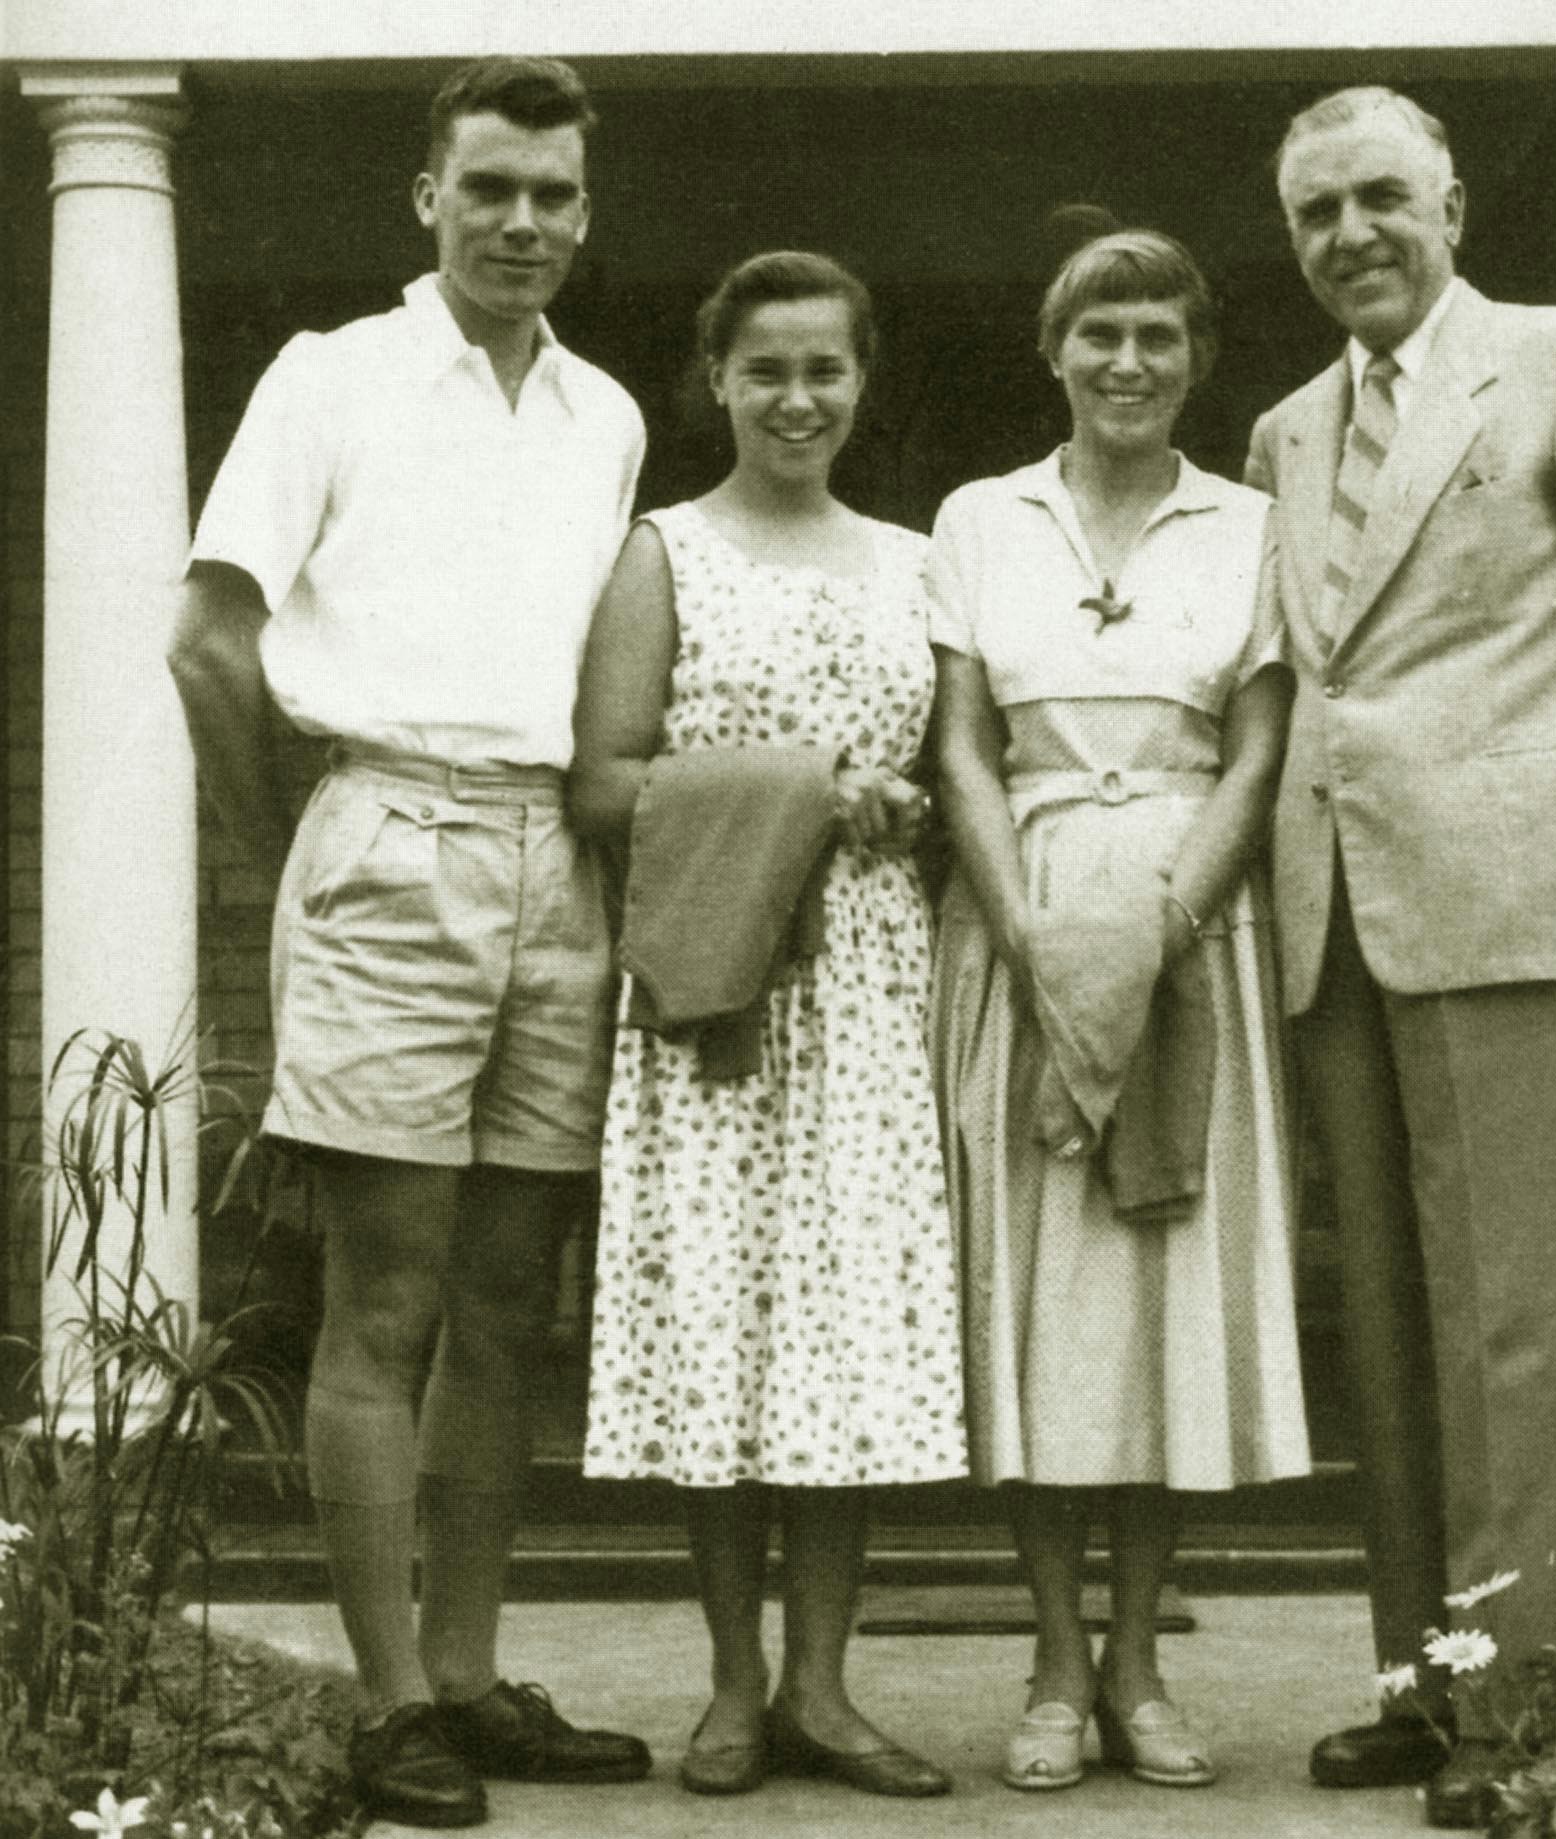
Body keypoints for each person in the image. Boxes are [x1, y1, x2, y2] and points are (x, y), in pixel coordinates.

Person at [165, 57, 652, 1830]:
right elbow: (208, 642)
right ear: (426, 197)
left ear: (585, 216)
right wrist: (297, 848)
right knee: (385, 1300)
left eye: (555, 195)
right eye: (491, 188)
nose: (523, 221)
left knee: (510, 1308)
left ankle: (465, 1674)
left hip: (553, 865)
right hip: (386, 828)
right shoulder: (332, 377)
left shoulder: (602, 416)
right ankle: (387, 1707)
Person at [1244, 87, 1556, 1828]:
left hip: (1524, 906)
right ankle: (1421, 1688)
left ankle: (1531, 1718)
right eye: (1316, 215)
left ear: (1448, 202)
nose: (1351, 235)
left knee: (1520, 1329)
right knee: (1389, 1333)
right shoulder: (1286, 430)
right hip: (1341, 920)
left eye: (1381, 199)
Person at [572, 250, 965, 1802]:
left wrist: (906, 806)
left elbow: (964, 772)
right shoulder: (661, 553)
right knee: (722, 1335)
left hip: (868, 986)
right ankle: (733, 1687)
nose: (797, 398)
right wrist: (805, 788)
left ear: (863, 383)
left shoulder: (919, 561)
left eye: (826, 370)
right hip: (714, 987)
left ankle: (825, 1688)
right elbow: (599, 779)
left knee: (843, 1337)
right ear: (716, 383)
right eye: (765, 371)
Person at [929, 228, 1311, 1796]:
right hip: (1012, 931)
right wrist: (1024, 932)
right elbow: (957, 741)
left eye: (1158, 334)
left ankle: (1141, 1664)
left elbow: (1259, 748)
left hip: (1184, 931)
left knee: (1162, 1306)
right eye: (1099, 335)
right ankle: (1049, 1663)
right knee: (1037, 1306)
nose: (1128, 362)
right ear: (1055, 350)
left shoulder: (1253, 527)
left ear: (1197, 356)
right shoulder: (977, 517)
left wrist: (1160, 931)